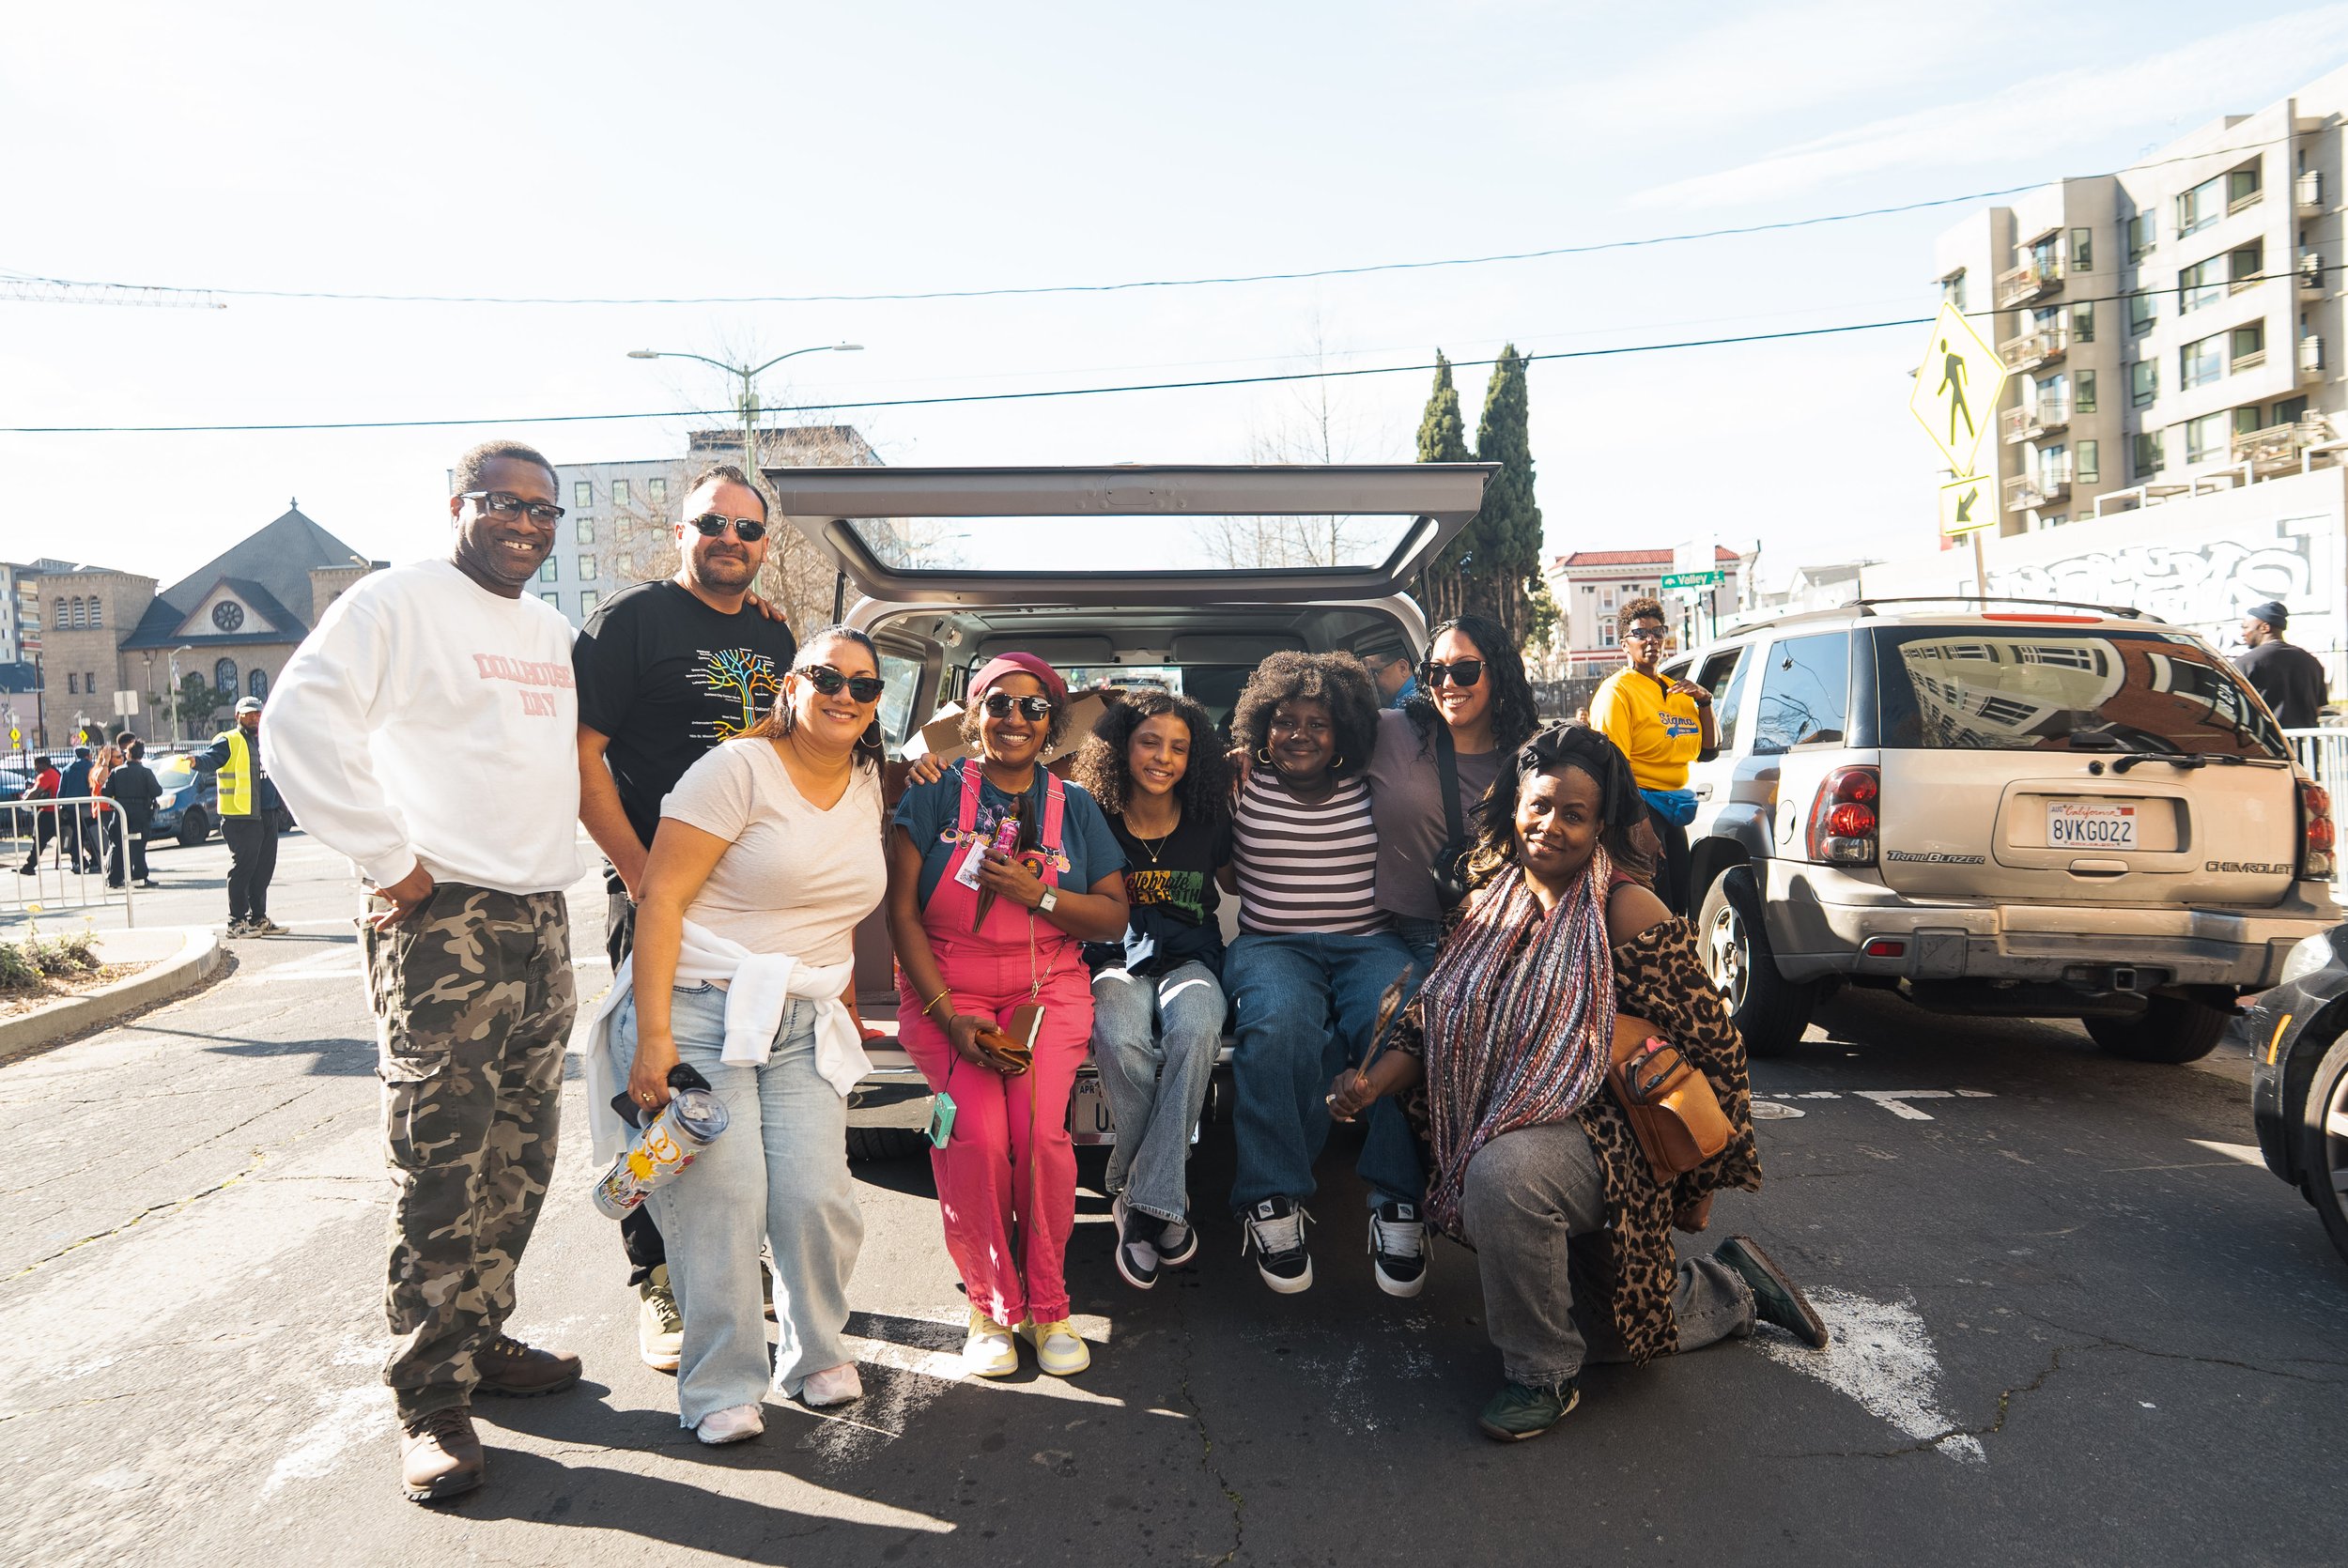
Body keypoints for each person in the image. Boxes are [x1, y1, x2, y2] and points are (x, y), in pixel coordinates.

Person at [1331, 724, 1828, 1442]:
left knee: (1505, 1177)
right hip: (1504, 1112)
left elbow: (1716, 1049)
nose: (1551, 826)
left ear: (1600, 825)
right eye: (1540, 806)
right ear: (1513, 806)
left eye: (1574, 814)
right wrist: (1371, 1086)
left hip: (1604, 1137)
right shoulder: (1482, 904)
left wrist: (1699, 1186)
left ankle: (1541, 1376)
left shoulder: (1624, 910)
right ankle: (1733, 1286)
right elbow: (1429, 1020)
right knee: (1622, 1340)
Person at [264, 439, 587, 1504]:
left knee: (520, 1149)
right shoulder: (394, 602)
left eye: (544, 509)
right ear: (461, 504)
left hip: (539, 916)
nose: (527, 523)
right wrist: (389, 860)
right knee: (441, 1165)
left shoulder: (548, 630)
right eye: (505, 503)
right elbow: (299, 721)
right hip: (443, 920)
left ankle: (480, 1336)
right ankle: (427, 1396)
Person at [581, 627, 888, 1445]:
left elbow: (835, 906)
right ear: (792, 685)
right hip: (699, 1009)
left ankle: (816, 1351)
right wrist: (652, 1040)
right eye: (829, 678)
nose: (846, 697)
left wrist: (847, 1001)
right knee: (723, 1200)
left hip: (801, 1018)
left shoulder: (868, 780)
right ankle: (719, 1385)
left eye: (865, 686)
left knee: (816, 1198)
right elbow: (660, 903)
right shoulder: (733, 771)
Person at [574, 461, 799, 1373]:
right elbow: (581, 759)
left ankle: (724, 1261)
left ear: (764, 544)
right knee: (659, 1083)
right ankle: (656, 1279)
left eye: (747, 530)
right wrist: (641, 876)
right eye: (713, 523)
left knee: (738, 1087)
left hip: (755, 907)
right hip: (658, 894)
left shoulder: (779, 639)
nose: (730, 541)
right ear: (682, 531)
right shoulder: (628, 624)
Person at [886, 653, 1129, 1379]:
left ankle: (1049, 1304)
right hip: (945, 987)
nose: (1014, 720)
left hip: (1046, 987)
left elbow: (1114, 918)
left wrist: (1040, 895)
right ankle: (992, 1304)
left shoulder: (1076, 806)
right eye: (999, 704)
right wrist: (945, 1014)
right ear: (973, 715)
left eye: (1032, 707)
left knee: (1040, 1137)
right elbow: (900, 913)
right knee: (978, 1136)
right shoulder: (931, 794)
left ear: (1052, 723)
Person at [1222, 652, 1428, 1298]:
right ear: (1263, 726)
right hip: (1271, 945)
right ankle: (1272, 1197)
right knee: (1280, 1025)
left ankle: (1399, 1199)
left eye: (1318, 722)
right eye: (1285, 720)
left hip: (1368, 943)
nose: (1301, 734)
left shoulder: (1372, 778)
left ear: (1343, 732)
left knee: (1402, 1023)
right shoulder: (1236, 782)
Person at [1071, 689, 1233, 1290]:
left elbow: (1247, 873)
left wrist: (1256, 772)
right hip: (1113, 959)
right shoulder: (1092, 815)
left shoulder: (1210, 816)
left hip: (1193, 958)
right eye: (1149, 742)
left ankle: (1138, 1200)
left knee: (1196, 1031)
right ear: (1121, 748)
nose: (1163, 757)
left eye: (1179, 748)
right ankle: (1160, 1199)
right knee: (1116, 1032)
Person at [1367, 613, 1542, 967]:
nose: (1447, 683)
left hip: (1501, 932)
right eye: (1435, 671)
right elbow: (1308, 746)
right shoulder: (1387, 731)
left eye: (1465, 670)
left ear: (1498, 672)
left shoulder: (1530, 754)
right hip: (1403, 935)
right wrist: (1249, 752)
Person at [1588, 597, 1714, 917]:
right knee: (1652, 905)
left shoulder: (1679, 691)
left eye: (1658, 632)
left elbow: (1708, 751)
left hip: (1673, 809)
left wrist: (1705, 703)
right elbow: (1613, 766)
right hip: (1639, 809)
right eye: (1640, 634)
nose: (1652, 640)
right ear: (1624, 644)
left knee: (1680, 901)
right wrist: (1640, 827)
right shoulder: (1617, 691)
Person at [192, 697, 287, 936]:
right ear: (238, 716)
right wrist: (195, 762)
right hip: (241, 816)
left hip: (267, 813)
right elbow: (210, 759)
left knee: (264, 868)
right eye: (249, 714)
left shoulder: (266, 740)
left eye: (257, 713)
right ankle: (236, 922)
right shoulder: (229, 740)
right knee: (244, 868)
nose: (254, 717)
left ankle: (257, 918)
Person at [2235, 599, 2328, 730]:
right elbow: (2318, 708)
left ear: (2265, 628)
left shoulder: (2246, 662)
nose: (2242, 633)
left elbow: (2235, 707)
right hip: (2306, 744)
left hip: (2267, 745)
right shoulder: (2311, 661)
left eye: (2246, 627)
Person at [103, 738, 162, 889]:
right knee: (139, 846)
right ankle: (140, 877)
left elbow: (105, 792)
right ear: (141, 755)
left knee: (117, 845)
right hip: (141, 812)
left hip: (121, 811)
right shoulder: (146, 772)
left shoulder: (117, 772)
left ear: (128, 754)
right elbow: (157, 791)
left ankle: (114, 878)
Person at [12, 755, 61, 874]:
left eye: (37, 765)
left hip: (48, 813)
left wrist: (25, 801)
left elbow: (35, 792)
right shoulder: (55, 773)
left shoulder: (45, 775)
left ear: (43, 765)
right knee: (63, 836)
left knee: (39, 839)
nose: (35, 768)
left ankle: (29, 866)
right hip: (56, 812)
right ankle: (82, 861)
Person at [1361, 641, 1421, 710]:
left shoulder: (1409, 707)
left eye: (1374, 672)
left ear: (1402, 668)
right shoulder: (1420, 693)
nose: (1370, 681)